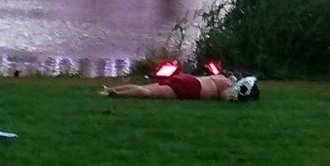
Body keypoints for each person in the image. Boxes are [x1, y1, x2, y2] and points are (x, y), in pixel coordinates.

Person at [100, 70, 254, 101]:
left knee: (148, 87)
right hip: (191, 87)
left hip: (186, 79)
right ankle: (117, 94)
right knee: (147, 93)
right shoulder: (226, 85)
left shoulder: (218, 76)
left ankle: (109, 90)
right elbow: (230, 97)